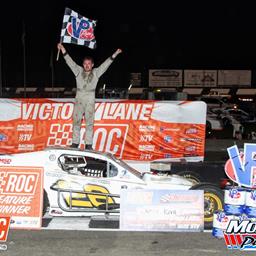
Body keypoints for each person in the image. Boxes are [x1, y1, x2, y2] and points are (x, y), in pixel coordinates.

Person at [57, 43, 122, 150]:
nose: (87, 65)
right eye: (85, 64)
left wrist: (115, 54)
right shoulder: (78, 71)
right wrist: (62, 48)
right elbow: (69, 62)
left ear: (92, 65)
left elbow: (105, 65)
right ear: (83, 64)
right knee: (76, 121)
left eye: (89, 64)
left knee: (89, 122)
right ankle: (75, 142)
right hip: (79, 96)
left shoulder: (96, 72)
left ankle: (88, 144)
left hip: (90, 97)